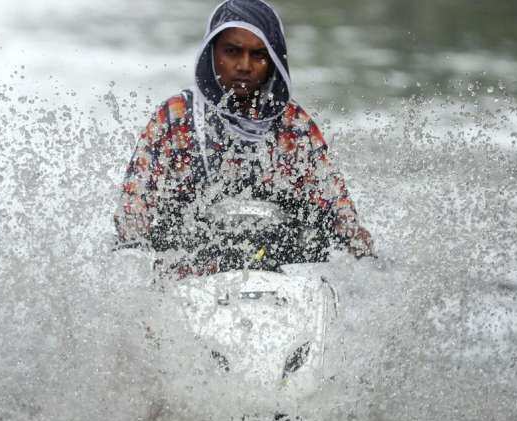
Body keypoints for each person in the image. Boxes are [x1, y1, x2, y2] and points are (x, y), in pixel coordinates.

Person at [114, 0, 374, 277]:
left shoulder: (294, 127)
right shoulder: (175, 119)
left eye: (259, 55)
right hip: (186, 274)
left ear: (274, 61)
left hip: (277, 277)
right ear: (211, 53)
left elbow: (336, 206)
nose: (244, 66)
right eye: (232, 52)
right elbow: (134, 205)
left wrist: (360, 247)